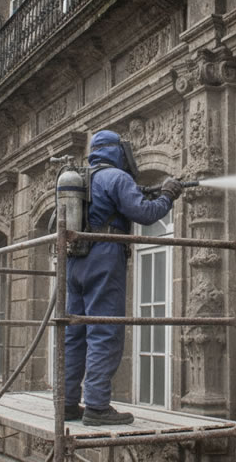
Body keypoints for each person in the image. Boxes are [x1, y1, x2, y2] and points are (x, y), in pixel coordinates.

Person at [64, 129, 182, 425]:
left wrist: (141, 193)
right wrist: (168, 194)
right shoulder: (117, 178)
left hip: (74, 261)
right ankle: (97, 407)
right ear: (117, 151)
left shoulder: (81, 177)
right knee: (104, 330)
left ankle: (65, 404)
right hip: (104, 257)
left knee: (74, 334)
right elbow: (145, 214)